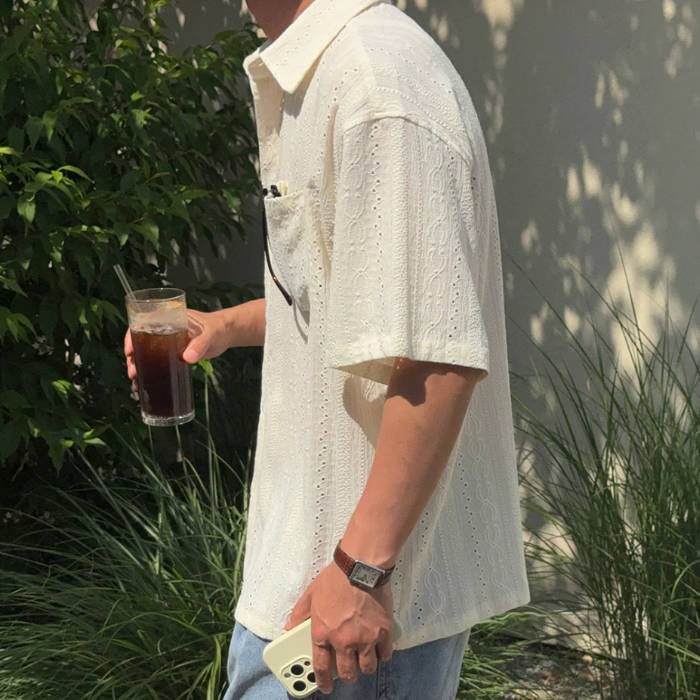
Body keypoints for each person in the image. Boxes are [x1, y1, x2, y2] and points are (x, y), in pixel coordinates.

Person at [125, 0, 530, 697]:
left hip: (350, 615)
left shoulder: (378, 85)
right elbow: (350, 298)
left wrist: (360, 572)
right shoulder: (331, 71)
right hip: (316, 591)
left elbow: (441, 357)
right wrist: (224, 326)